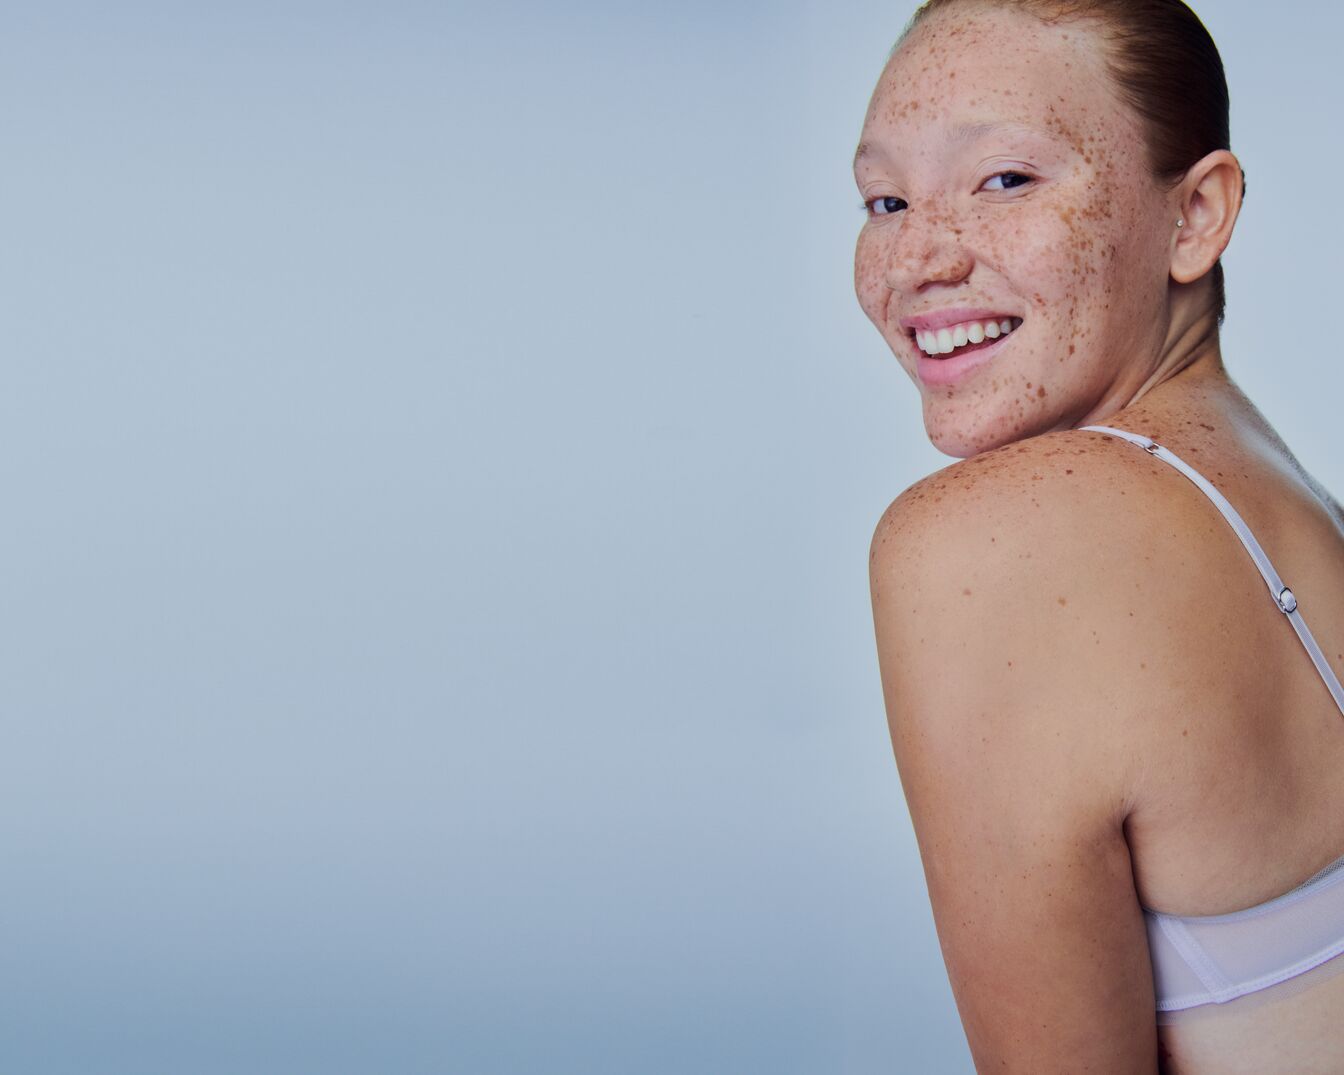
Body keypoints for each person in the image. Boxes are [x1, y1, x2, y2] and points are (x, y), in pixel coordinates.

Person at [859, 1, 1344, 1071]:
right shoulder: (1291, 500)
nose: (914, 260)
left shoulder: (986, 545)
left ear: (1196, 215)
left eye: (1004, 180)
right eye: (886, 199)